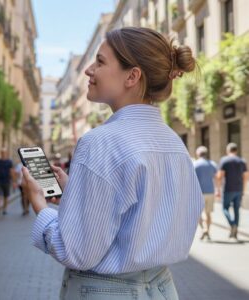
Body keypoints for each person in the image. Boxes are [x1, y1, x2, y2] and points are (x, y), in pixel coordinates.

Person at [22, 27, 203, 299]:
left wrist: (38, 203)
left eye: (100, 61)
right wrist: (77, 193)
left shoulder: (100, 142)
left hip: (107, 291)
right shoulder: (173, 143)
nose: (88, 70)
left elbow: (75, 250)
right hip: (162, 288)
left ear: (132, 76)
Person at [217, 143, 249, 239]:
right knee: (236, 210)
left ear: (228, 150)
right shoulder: (242, 161)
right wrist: (243, 189)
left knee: (225, 208)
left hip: (228, 189)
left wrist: (218, 189)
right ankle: (235, 232)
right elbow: (246, 177)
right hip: (239, 189)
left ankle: (232, 224)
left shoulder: (224, 160)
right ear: (236, 150)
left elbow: (219, 176)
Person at [193, 146, 217, 240]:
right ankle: (207, 231)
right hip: (210, 191)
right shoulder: (212, 164)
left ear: (198, 154)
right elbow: (216, 176)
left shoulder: (195, 164)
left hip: (199, 192)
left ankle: (204, 229)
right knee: (208, 213)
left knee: (199, 213)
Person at [0, 148, 16, 215]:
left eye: (4, 153)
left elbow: (12, 172)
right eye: (2, 152)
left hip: (7, 181)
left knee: (6, 196)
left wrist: (14, 181)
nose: (3, 154)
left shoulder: (9, 162)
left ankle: (4, 209)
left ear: (6, 153)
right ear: (0, 153)